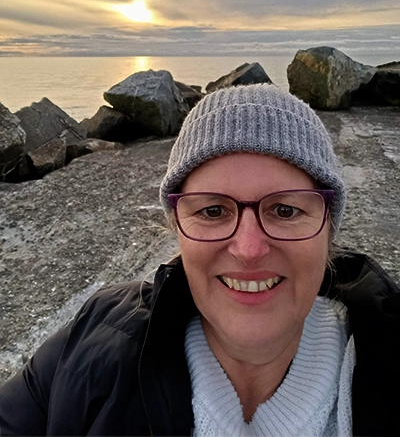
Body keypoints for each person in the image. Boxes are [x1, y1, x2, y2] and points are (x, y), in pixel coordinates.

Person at [0, 84, 399, 436]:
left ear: (329, 227)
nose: (248, 249)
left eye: (285, 211)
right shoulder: (86, 347)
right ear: (176, 226)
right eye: (212, 211)